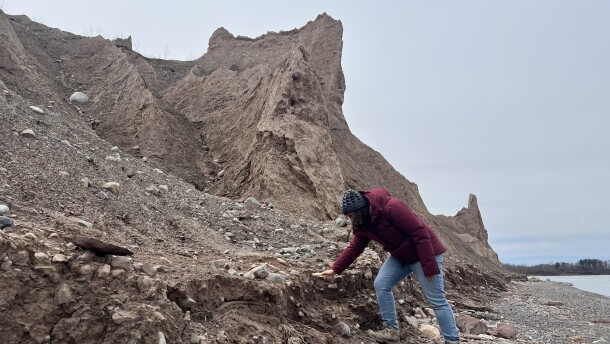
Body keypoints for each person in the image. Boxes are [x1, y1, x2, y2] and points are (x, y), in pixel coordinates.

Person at [318, 189, 460, 344]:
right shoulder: (363, 223)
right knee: (381, 284)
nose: (351, 220)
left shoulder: (392, 207)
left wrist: (429, 265)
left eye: (352, 216)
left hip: (425, 253)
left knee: (437, 300)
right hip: (402, 256)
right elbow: (356, 246)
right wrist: (336, 268)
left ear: (360, 210)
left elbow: (419, 232)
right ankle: (391, 330)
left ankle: (452, 340)